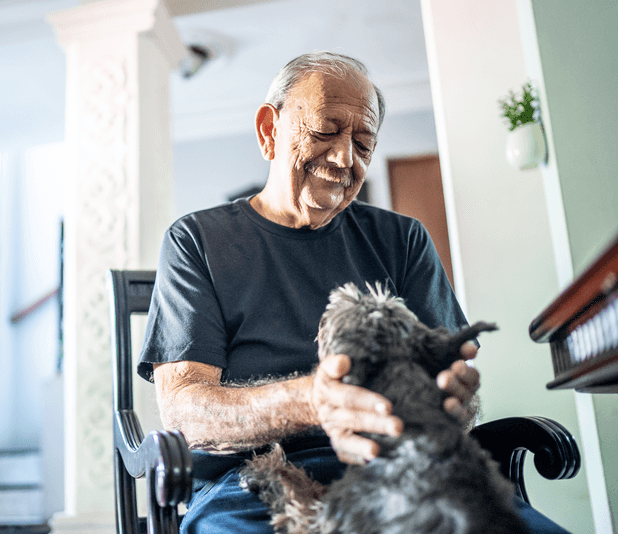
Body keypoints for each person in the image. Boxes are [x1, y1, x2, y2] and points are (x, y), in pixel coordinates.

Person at [138, 52, 569, 534]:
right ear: (268, 130)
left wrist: (452, 401)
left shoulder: (403, 239)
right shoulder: (196, 240)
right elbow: (185, 411)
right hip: (253, 488)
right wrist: (312, 401)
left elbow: (451, 388)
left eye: (363, 143)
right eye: (325, 130)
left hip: (405, 472)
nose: (345, 159)